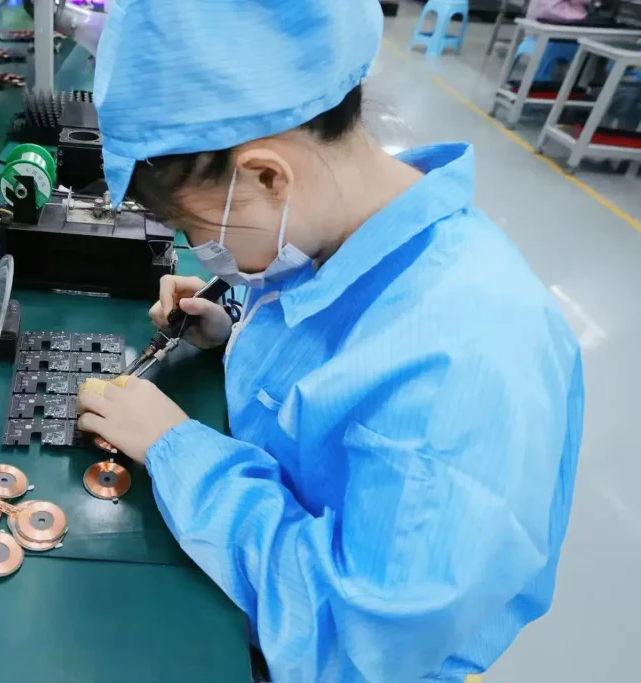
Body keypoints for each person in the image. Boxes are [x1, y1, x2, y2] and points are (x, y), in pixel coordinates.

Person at [75, 1, 584, 681]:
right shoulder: (344, 230)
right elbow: (326, 370)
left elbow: (349, 638)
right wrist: (234, 330)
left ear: (268, 176)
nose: (201, 249)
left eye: (196, 228)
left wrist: (176, 448)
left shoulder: (461, 362)